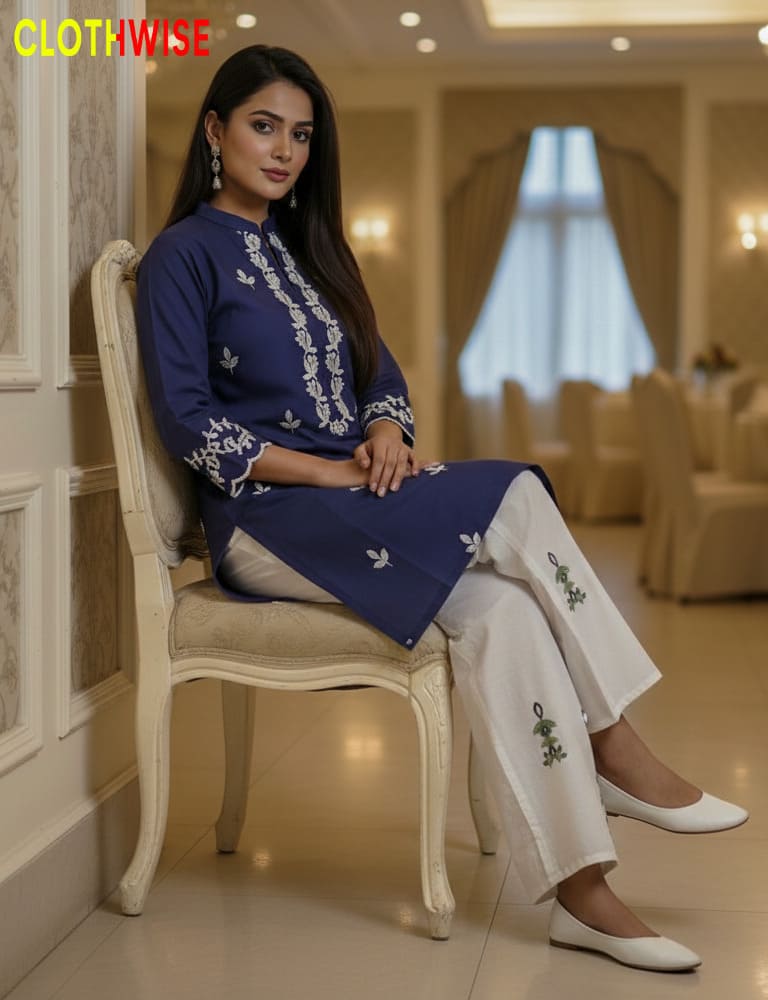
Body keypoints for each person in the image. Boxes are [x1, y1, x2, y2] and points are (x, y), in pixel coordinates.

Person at [136, 44, 747, 973]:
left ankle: (582, 892)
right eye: (264, 127)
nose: (285, 150)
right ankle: (615, 744)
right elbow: (186, 418)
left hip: (359, 504)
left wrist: (385, 430)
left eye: (301, 134)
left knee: (505, 612)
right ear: (215, 130)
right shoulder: (182, 255)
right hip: (267, 523)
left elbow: (381, 373)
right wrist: (324, 474)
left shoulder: (312, 250)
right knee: (515, 489)